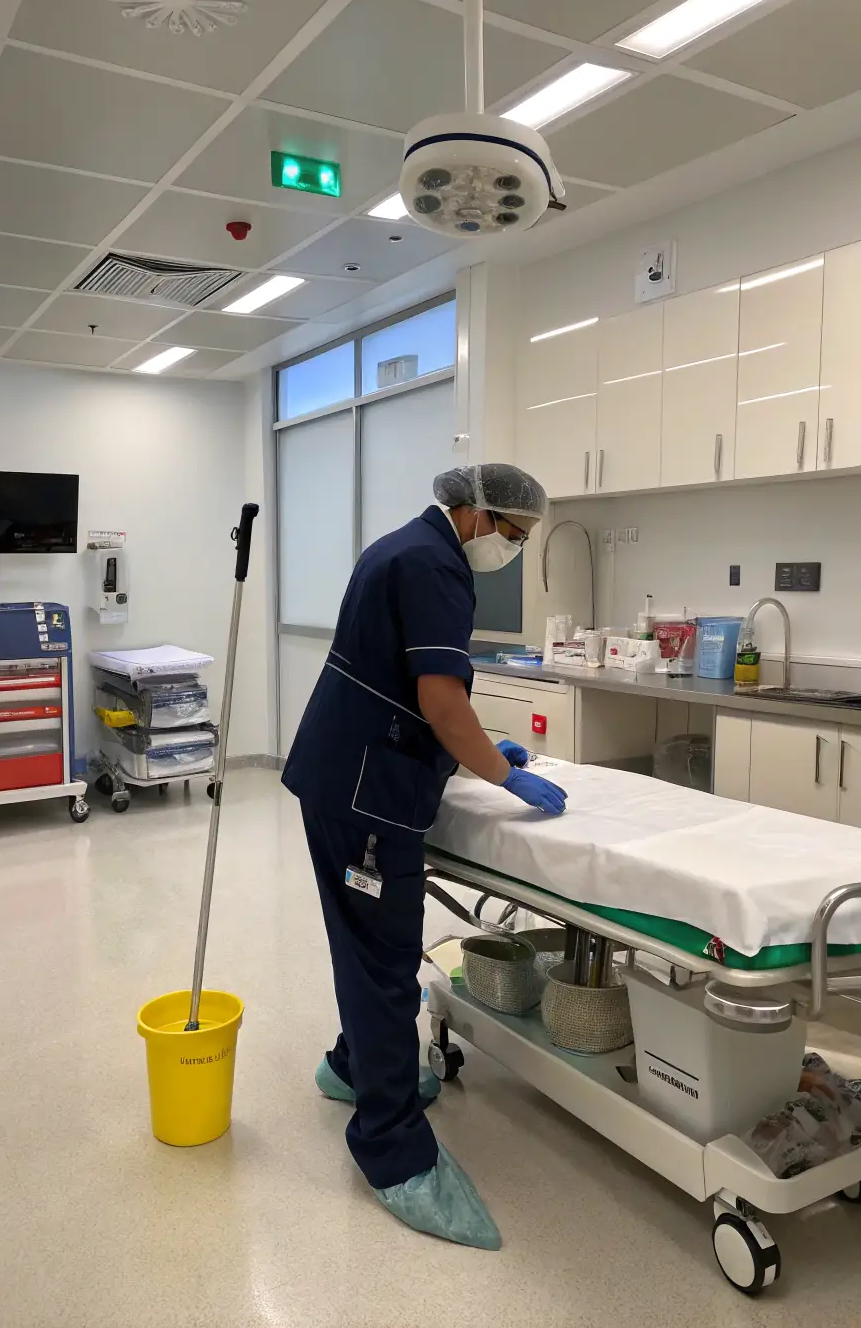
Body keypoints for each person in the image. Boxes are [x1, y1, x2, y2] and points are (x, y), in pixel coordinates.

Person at [282, 463, 567, 1251]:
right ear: (478, 514)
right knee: (381, 956)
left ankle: (354, 1064)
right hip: (365, 794)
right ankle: (393, 1151)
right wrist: (503, 773)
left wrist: (470, 745)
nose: (512, 550)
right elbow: (440, 699)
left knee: (366, 942)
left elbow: (411, 687)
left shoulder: (407, 548)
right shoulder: (435, 563)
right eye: (514, 535)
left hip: (348, 773)